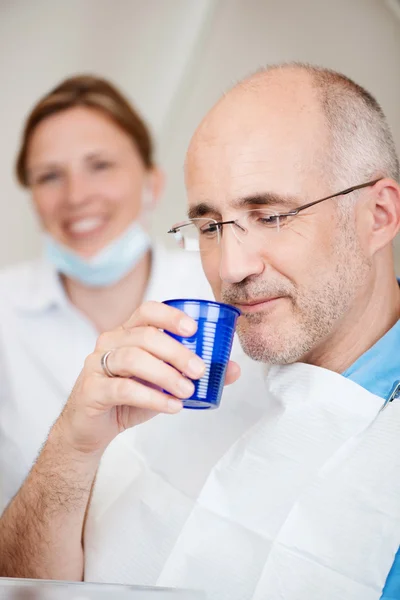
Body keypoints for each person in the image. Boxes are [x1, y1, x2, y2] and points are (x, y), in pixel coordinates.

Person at [1, 62, 399, 600]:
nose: (230, 268)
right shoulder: (192, 362)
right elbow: (32, 584)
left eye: (272, 215)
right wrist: (71, 446)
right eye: (210, 226)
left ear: (378, 215)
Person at [0, 74, 266, 510]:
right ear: (33, 200)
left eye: (100, 165)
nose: (76, 195)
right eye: (50, 176)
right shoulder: (4, 312)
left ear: (152, 184)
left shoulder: (226, 290)